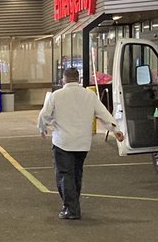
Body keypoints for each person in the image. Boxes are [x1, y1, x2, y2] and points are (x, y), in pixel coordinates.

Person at [36, 67, 125, 220]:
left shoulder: (57, 95)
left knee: (64, 175)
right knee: (76, 174)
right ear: (79, 79)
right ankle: (73, 204)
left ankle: (71, 209)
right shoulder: (89, 95)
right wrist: (115, 129)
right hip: (83, 143)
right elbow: (103, 113)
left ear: (64, 79)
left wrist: (42, 128)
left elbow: (44, 115)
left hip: (62, 142)